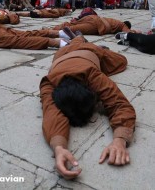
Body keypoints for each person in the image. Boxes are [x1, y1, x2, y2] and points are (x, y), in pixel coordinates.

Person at [39, 33, 136, 179]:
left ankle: (82, 39)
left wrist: (120, 140)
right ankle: (80, 39)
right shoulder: (49, 82)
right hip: (73, 53)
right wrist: (59, 148)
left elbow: (119, 104)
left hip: (84, 51)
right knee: (82, 43)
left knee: (121, 60)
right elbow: (52, 112)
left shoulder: (91, 74)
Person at [52, 14, 136, 35]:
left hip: (92, 17)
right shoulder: (122, 25)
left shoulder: (115, 21)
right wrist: (135, 31)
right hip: (97, 25)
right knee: (73, 29)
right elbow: (128, 32)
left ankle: (54, 27)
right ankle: (49, 31)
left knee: (72, 23)